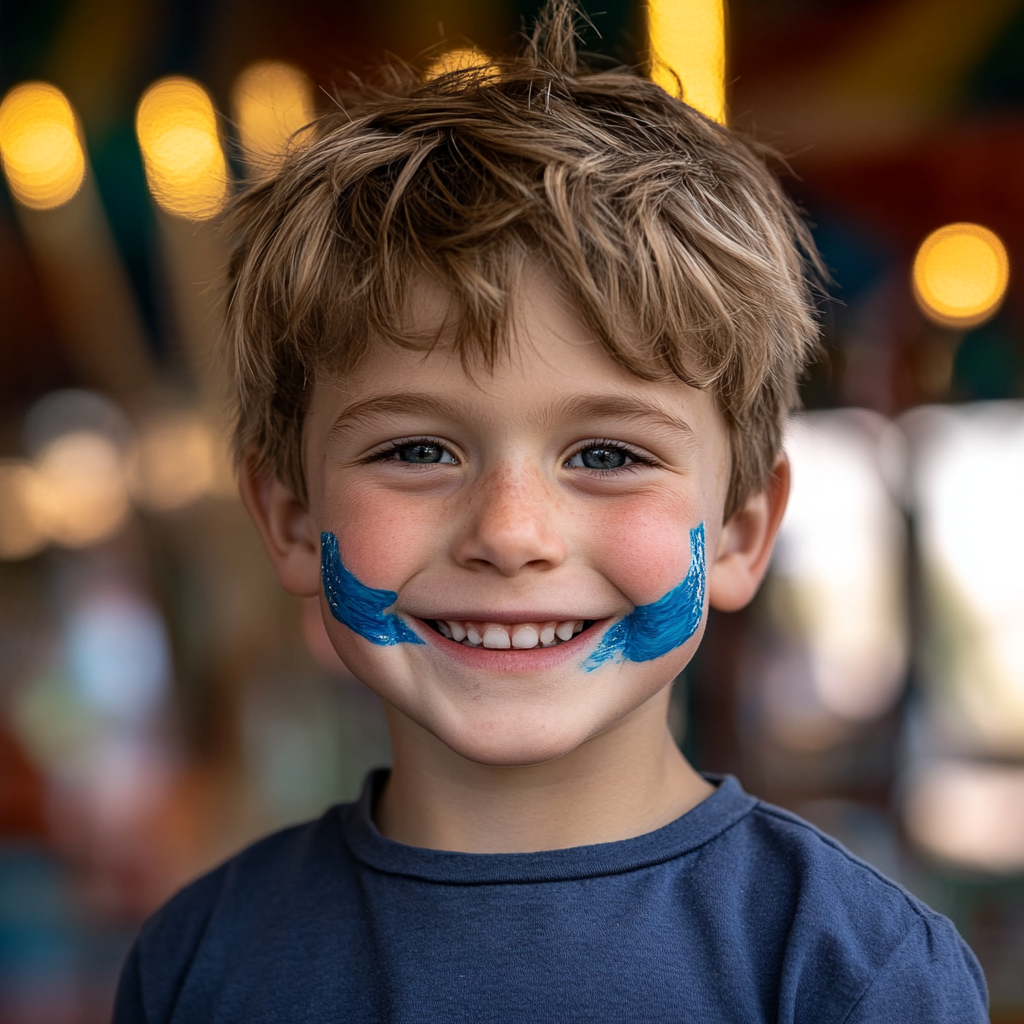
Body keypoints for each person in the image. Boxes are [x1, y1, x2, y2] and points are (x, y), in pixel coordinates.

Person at [113, 2, 988, 1020]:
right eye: (416, 450)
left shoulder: (854, 970)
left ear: (744, 529)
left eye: (609, 454)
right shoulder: (200, 958)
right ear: (291, 516)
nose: (511, 532)